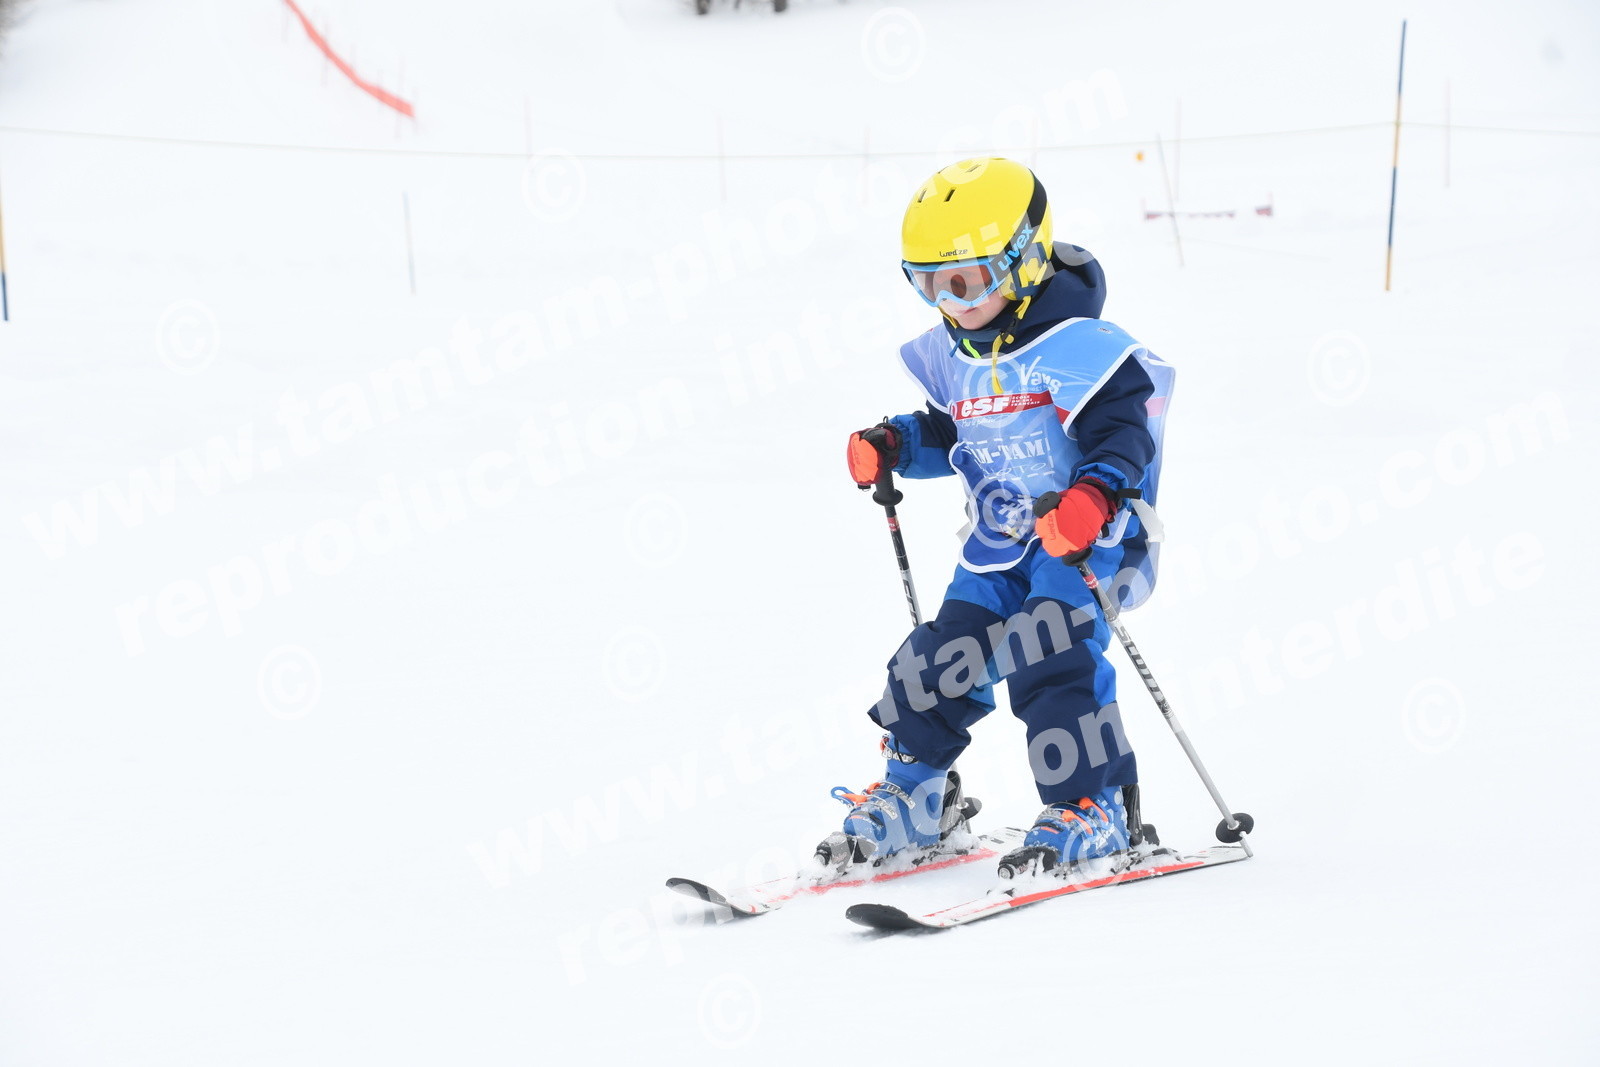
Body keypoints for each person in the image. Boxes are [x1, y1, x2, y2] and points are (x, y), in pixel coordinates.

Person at [823, 157, 1175, 876]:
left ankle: (1094, 803)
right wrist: (895, 444)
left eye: (965, 281)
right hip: (1001, 541)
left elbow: (1125, 435)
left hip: (1089, 540)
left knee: (1048, 650)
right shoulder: (958, 354)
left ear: (1025, 260)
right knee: (941, 654)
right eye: (928, 284)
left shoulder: (1081, 347)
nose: (949, 303)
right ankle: (918, 794)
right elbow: (951, 430)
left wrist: (1092, 497)